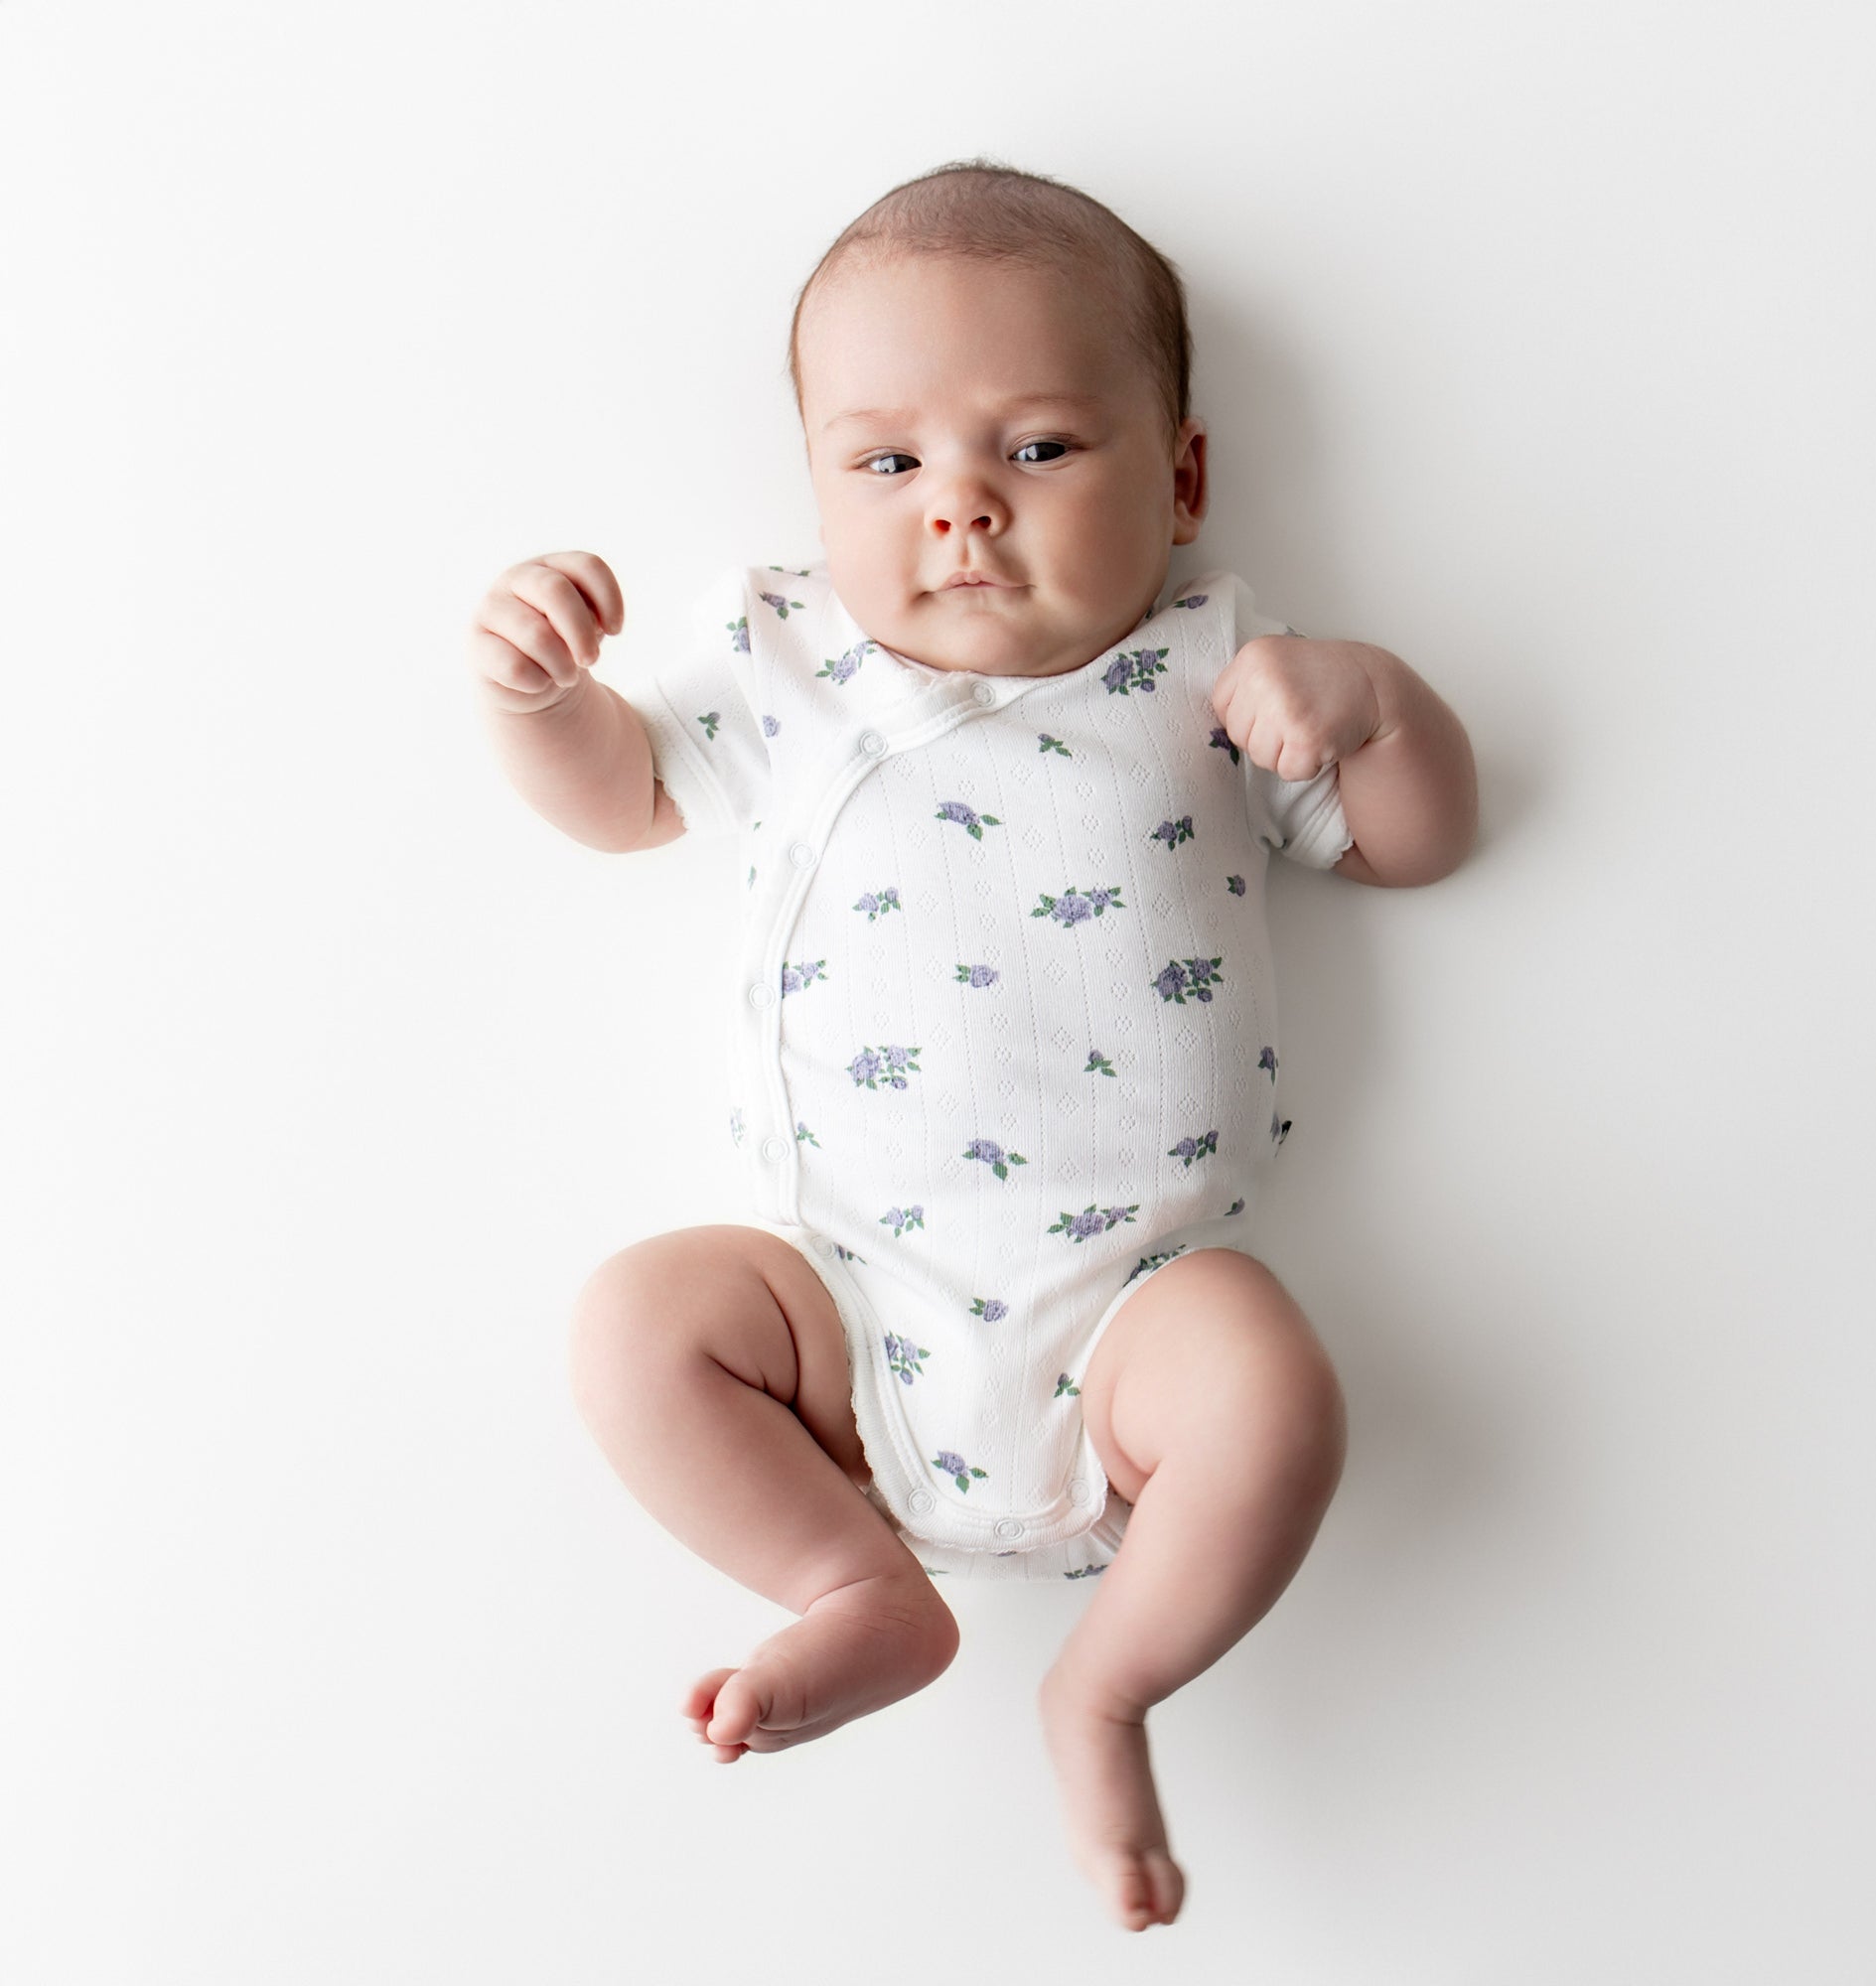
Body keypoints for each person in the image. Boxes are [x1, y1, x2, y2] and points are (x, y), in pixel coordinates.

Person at [465, 158, 1477, 1934]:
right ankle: (854, 1583)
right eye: (887, 465)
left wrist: (1379, 710)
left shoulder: (1217, 668)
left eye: (1040, 448)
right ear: (817, 489)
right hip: (841, 1310)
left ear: (1181, 480)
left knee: (1273, 1386)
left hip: (1138, 1309)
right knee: (639, 1321)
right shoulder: (787, 657)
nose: (962, 510)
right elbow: (625, 800)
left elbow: (1419, 845)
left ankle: (1108, 1684)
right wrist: (537, 698)